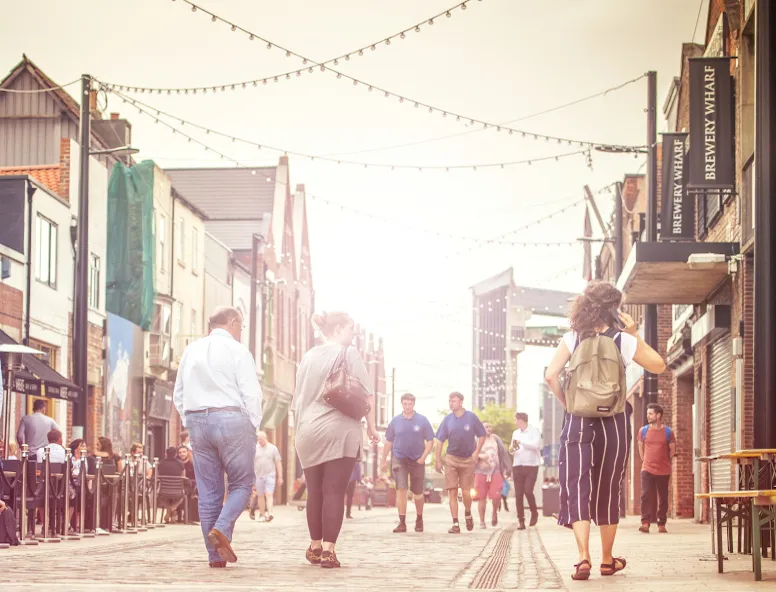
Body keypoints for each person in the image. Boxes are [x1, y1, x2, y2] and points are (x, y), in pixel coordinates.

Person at [544, 280, 666, 581]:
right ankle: (608, 560)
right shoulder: (622, 339)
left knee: (577, 485)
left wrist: (569, 403)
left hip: (577, 420)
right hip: (613, 420)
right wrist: (634, 334)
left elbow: (551, 376)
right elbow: (659, 365)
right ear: (614, 309)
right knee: (609, 487)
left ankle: (583, 557)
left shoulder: (572, 338)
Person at [173, 306, 262, 568]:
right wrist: (253, 424)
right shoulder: (238, 350)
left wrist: (189, 420)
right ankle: (221, 528)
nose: (240, 331)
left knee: (209, 492)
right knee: (242, 484)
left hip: (197, 421)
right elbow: (251, 393)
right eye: (241, 326)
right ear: (232, 322)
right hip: (232, 418)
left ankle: (215, 557)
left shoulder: (191, 350)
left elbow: (179, 393)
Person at [293, 311, 379, 568]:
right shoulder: (348, 352)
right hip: (340, 431)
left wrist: (300, 431)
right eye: (351, 329)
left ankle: (315, 546)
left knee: (315, 492)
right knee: (334, 492)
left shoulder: (308, 356)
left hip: (307, 431)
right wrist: (372, 427)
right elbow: (368, 394)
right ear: (339, 329)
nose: (354, 334)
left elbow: (297, 400)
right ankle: (328, 551)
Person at [381, 393, 435, 533]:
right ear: (402, 404)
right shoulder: (395, 421)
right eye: (405, 404)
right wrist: (383, 460)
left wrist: (423, 457)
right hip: (399, 458)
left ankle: (419, 519)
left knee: (418, 493)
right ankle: (402, 522)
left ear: (413, 404)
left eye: (410, 404)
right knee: (401, 489)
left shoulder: (422, 420)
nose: (407, 406)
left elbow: (430, 441)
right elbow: (388, 441)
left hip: (417, 459)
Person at [435, 392, 486, 534]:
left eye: (454, 401)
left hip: (468, 459)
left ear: (461, 402)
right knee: (452, 491)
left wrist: (476, 453)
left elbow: (482, 435)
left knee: (466, 492)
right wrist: (438, 460)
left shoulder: (471, 417)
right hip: (451, 458)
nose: (451, 403)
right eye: (449, 401)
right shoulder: (447, 420)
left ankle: (468, 512)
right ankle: (455, 523)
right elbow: (439, 441)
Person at [638, 403, 675, 534]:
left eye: (650, 413)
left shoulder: (668, 432)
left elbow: (672, 450)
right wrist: (645, 461)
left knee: (663, 498)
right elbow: (640, 447)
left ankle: (661, 523)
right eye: (647, 413)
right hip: (647, 468)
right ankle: (645, 523)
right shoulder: (643, 431)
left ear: (658, 415)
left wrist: (665, 461)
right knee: (645, 495)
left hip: (663, 470)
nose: (648, 416)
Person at [474, 421, 510, 529]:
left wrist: (508, 468)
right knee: (481, 497)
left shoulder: (496, 439)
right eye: (486, 427)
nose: (489, 428)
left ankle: (494, 513)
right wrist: (481, 457)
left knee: (497, 495)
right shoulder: (476, 440)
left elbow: (503, 453)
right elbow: (471, 454)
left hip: (496, 472)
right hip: (480, 472)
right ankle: (482, 521)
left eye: (490, 426)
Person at [510, 412, 542, 530]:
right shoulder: (515, 433)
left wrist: (521, 442)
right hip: (517, 465)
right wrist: (512, 449)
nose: (515, 422)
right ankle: (521, 521)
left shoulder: (534, 431)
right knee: (518, 495)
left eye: (515, 420)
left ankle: (534, 512)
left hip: (531, 465)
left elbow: (535, 446)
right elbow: (513, 448)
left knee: (528, 491)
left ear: (521, 420)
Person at [249, 431, 283, 523]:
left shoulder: (273, 448)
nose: (259, 441)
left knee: (269, 494)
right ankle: (262, 515)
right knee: (260, 495)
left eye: (261, 439)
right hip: (258, 475)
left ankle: (270, 513)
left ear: (265, 438)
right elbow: (251, 463)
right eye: (258, 439)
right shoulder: (255, 448)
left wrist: (280, 476)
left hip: (270, 475)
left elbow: (278, 462)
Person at [156, 446, 186, 523]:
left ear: (166, 454)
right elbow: (183, 477)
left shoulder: (160, 463)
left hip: (163, 491)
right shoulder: (180, 463)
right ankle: (172, 509)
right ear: (176, 454)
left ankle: (168, 510)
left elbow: (157, 477)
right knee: (182, 496)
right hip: (178, 491)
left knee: (159, 496)